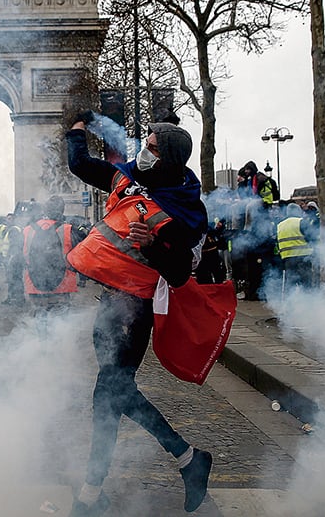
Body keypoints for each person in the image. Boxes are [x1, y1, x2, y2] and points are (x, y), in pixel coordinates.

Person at [64, 114, 212, 515]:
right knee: (114, 394)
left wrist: (151, 245)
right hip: (112, 302)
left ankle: (91, 494)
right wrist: (77, 127)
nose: (143, 150)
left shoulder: (182, 209)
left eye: (152, 146)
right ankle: (187, 459)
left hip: (134, 311)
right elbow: (81, 165)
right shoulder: (129, 179)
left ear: (169, 159)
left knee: (108, 394)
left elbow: (180, 270)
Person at [22, 195, 83, 335]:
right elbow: (81, 256)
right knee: (60, 321)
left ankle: (42, 347)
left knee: (40, 319)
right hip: (62, 284)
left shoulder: (27, 230)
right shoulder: (68, 229)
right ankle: (58, 349)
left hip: (35, 283)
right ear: (62, 209)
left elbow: (20, 254)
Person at [276, 203, 318, 292]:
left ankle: (291, 304)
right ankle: (307, 304)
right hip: (303, 258)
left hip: (287, 260)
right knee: (306, 285)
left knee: (290, 286)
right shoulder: (301, 221)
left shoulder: (280, 225)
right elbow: (311, 238)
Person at [1, 212, 26, 306]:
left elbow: (15, 246)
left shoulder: (14, 230)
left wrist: (11, 258)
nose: (7, 221)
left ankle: (19, 300)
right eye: (7, 219)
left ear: (14, 220)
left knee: (16, 279)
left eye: (10, 219)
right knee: (12, 279)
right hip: (12, 258)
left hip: (14, 259)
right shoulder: (10, 229)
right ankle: (11, 297)